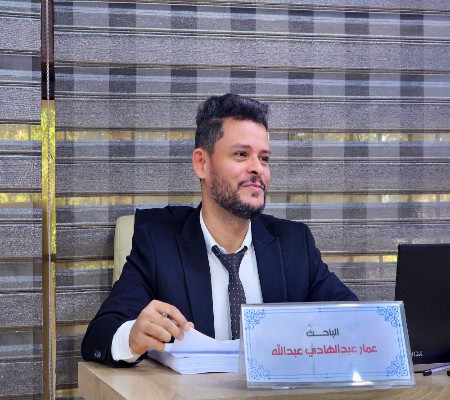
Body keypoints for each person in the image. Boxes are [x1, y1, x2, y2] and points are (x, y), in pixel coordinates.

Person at [81, 93, 358, 367]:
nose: (257, 169)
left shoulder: (294, 244)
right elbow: (100, 336)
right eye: (241, 154)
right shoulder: (158, 244)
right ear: (202, 163)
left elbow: (354, 320)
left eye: (264, 158)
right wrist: (132, 336)